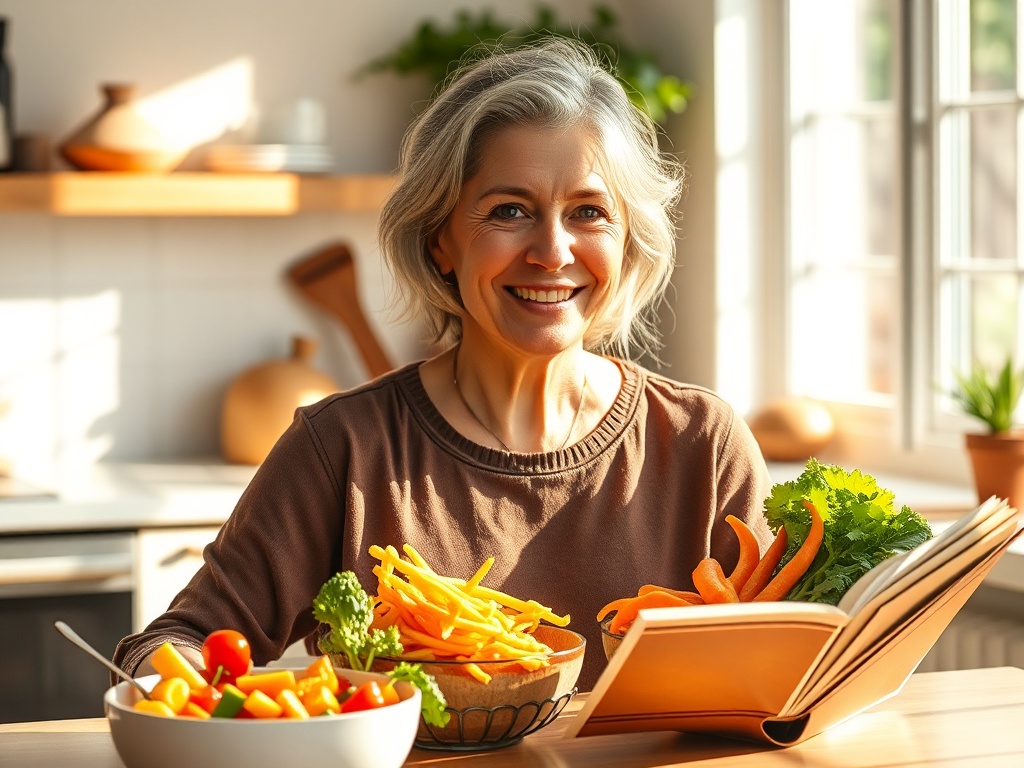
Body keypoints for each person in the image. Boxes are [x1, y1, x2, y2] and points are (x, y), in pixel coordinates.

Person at [113, 38, 773, 692]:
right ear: (441, 243)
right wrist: (185, 682)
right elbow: (173, 642)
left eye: (588, 213)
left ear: (627, 241)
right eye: (509, 211)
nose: (552, 250)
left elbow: (784, 668)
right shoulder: (344, 449)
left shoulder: (701, 445)